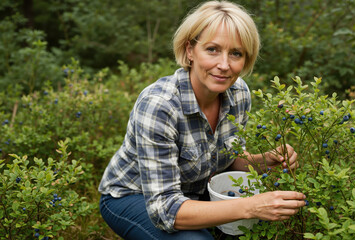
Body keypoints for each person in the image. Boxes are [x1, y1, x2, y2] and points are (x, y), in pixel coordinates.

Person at [98, 1, 306, 239]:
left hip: (193, 192)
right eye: (212, 49)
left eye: (236, 53)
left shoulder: (238, 93)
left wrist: (263, 162)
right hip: (136, 196)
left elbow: (224, 160)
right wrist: (250, 206)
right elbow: (164, 210)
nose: (224, 65)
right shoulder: (160, 105)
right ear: (190, 51)